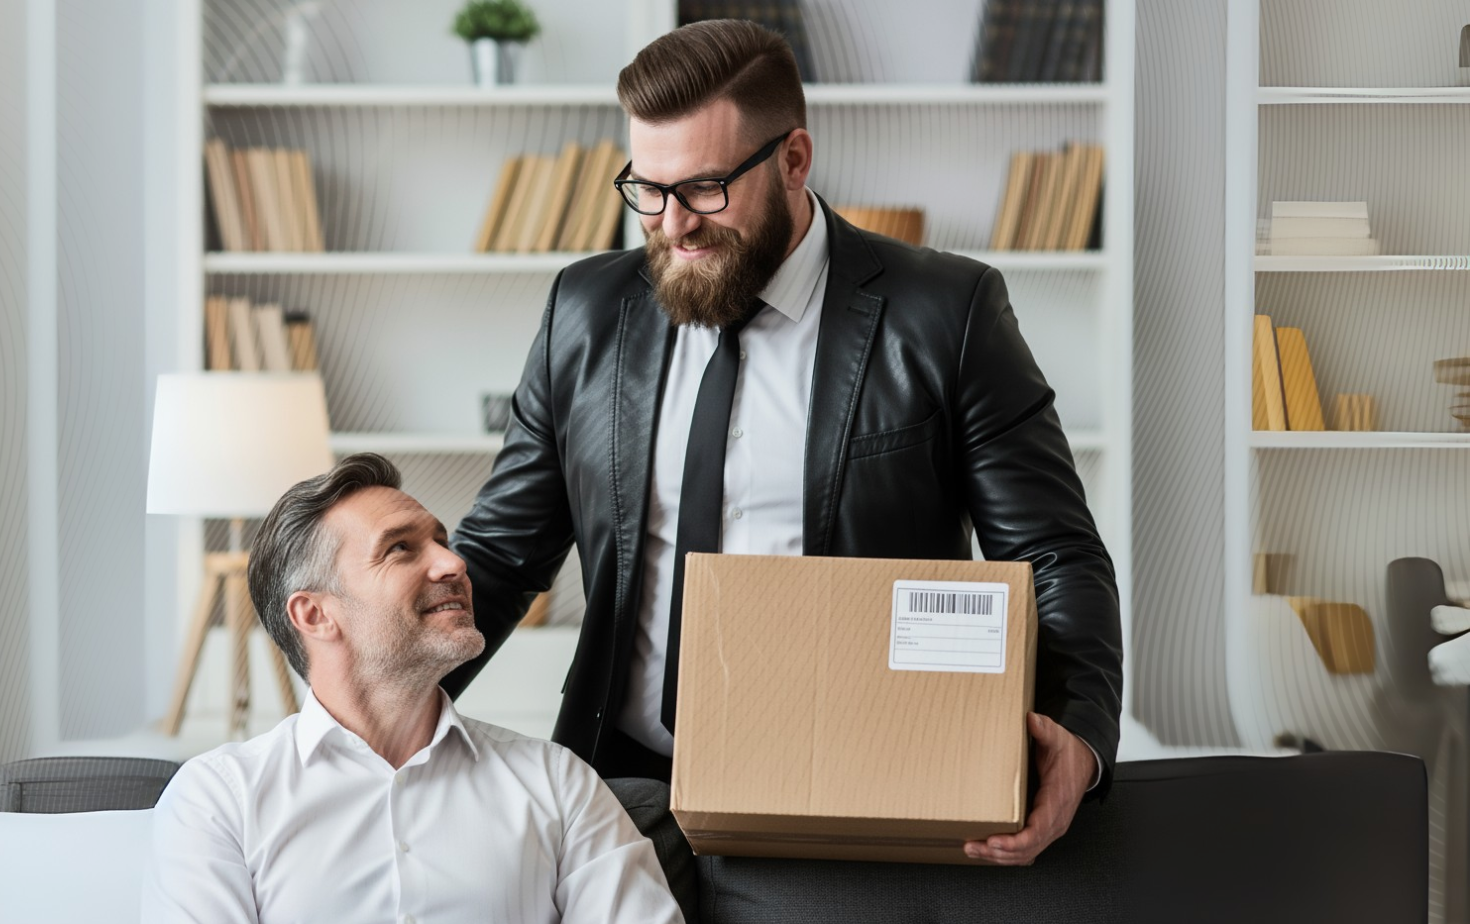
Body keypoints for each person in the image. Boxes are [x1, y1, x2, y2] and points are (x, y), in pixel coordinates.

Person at [446, 19, 1122, 866]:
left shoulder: (946, 315)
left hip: (856, 788)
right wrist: (369, 720)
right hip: (618, 791)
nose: (671, 225)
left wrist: (1077, 738)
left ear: (794, 160)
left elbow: (1055, 553)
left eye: (702, 188)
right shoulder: (585, 312)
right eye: (646, 190)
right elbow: (502, 557)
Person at [141, 453, 685, 923]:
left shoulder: (558, 783)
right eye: (401, 549)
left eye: (442, 542)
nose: (454, 563)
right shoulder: (218, 801)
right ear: (314, 614)